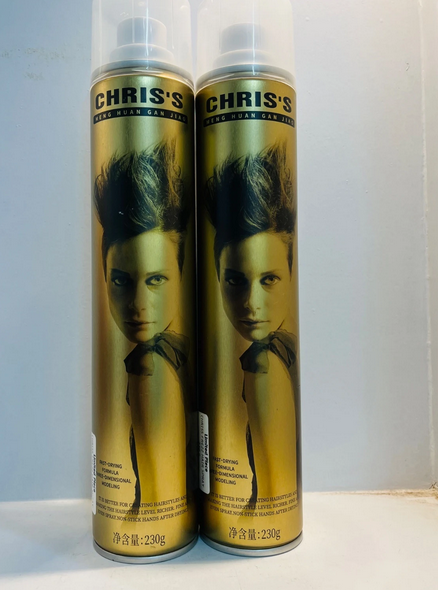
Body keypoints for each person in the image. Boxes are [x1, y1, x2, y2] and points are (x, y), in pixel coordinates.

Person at [94, 140, 192, 511]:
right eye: (121, 281)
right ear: (105, 276)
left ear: (180, 277)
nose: (137, 305)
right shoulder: (180, 351)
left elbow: (155, 501)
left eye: (155, 280)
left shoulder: (148, 365)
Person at [205, 143, 300, 506]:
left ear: (290, 275)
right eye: (235, 280)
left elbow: (271, 497)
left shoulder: (263, 363)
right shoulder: (285, 348)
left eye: (269, 279)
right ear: (217, 277)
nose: (251, 303)